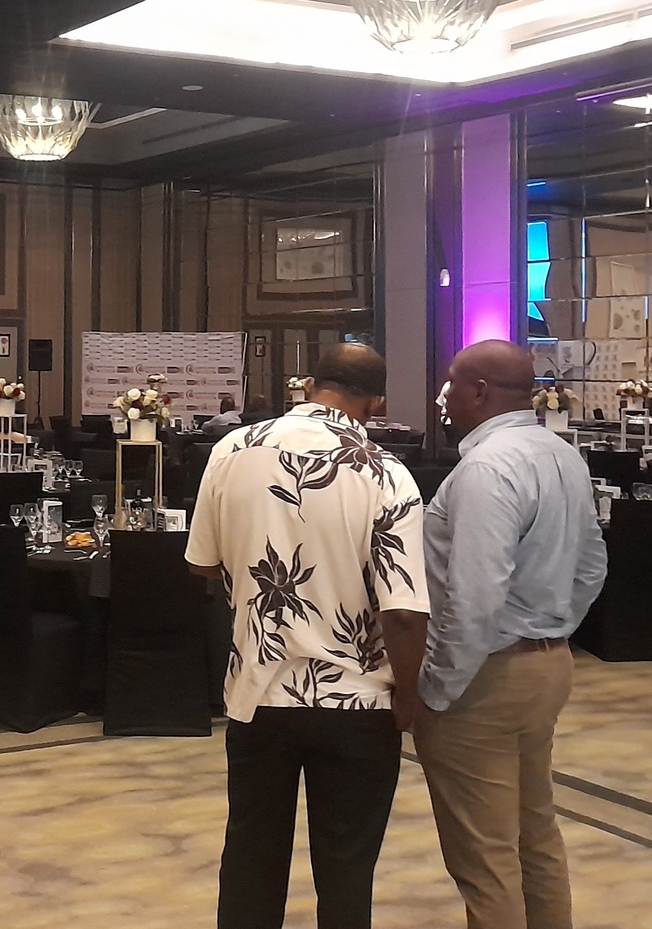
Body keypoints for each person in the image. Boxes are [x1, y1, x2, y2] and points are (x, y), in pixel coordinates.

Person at [186, 343, 430, 929]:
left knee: (251, 855)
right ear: (377, 402)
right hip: (356, 702)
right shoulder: (385, 472)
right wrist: (409, 694)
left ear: (310, 384)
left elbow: (201, 564)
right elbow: (403, 612)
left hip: (258, 692)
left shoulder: (232, 450)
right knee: (347, 867)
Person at [417, 340, 608, 929]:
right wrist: (550, 629)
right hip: (547, 667)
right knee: (535, 832)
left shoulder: (486, 468)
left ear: (478, 391)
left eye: (451, 383)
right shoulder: (561, 454)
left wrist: (435, 688)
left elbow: (475, 595)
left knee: (486, 857)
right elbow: (592, 566)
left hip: (484, 678)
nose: (444, 396)